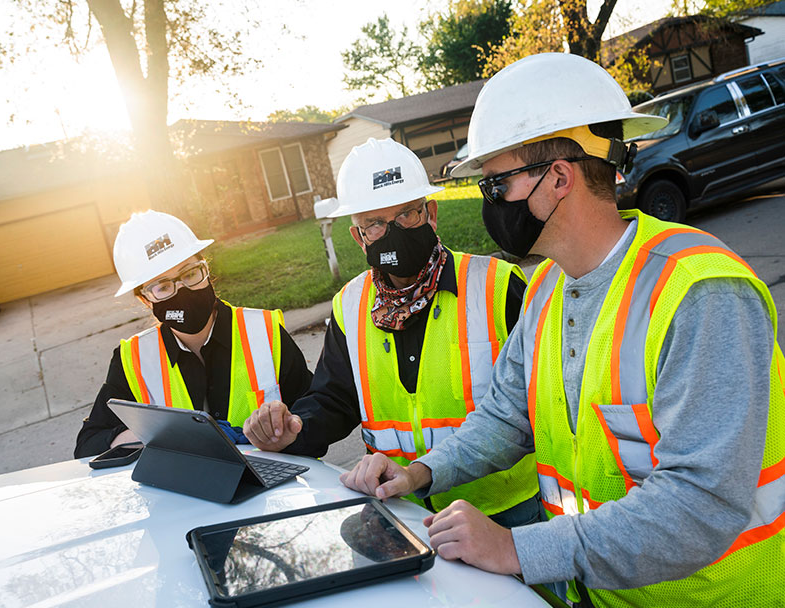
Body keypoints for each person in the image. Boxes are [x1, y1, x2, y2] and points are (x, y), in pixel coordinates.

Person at [339, 53, 785, 606]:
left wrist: (516, 549)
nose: (489, 203)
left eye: (495, 184)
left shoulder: (699, 292)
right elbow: (506, 417)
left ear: (557, 179)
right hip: (601, 594)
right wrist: (420, 474)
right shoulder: (550, 285)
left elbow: (700, 503)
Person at [244, 137, 541, 528]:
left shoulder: (497, 287)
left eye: (406, 215)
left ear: (431, 214)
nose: (394, 232)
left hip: (504, 512)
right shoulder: (349, 305)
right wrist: (294, 430)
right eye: (375, 224)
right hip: (402, 515)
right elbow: (334, 398)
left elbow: (535, 406)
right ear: (359, 237)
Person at [74, 210, 313, 458]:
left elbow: (317, 416)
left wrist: (291, 433)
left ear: (205, 268)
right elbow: (88, 445)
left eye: (190, 273)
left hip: (276, 488)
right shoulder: (134, 360)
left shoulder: (263, 332)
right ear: (146, 299)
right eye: (164, 286)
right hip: (186, 494)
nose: (183, 291)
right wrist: (148, 436)